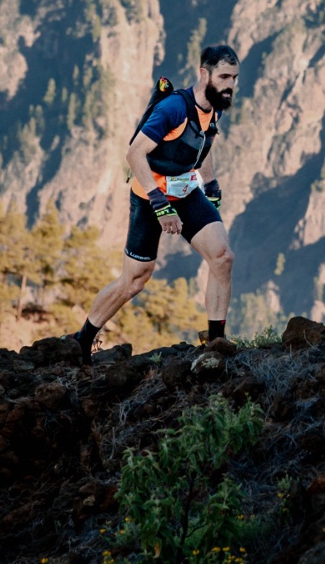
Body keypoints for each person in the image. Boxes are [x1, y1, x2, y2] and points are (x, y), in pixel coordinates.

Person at [70, 45, 239, 361]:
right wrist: (160, 205)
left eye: (234, 78)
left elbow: (203, 144)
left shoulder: (214, 109)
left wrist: (211, 184)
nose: (230, 85)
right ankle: (82, 340)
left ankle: (216, 343)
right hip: (150, 195)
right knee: (134, 280)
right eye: (224, 77)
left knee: (223, 257)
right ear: (204, 74)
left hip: (185, 192)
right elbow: (135, 153)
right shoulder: (173, 108)